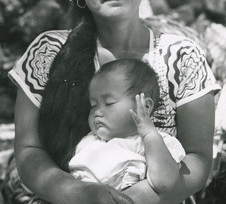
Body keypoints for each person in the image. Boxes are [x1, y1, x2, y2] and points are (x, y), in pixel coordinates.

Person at [8, 0, 220, 204]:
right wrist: (78, 194)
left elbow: (198, 159)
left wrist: (140, 196)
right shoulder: (48, 52)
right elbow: (29, 150)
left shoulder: (182, 58)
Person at [69, 59, 186, 193]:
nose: (97, 112)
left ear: (144, 107)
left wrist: (149, 135)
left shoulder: (151, 143)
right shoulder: (90, 142)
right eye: (93, 105)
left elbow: (164, 182)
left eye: (109, 103)